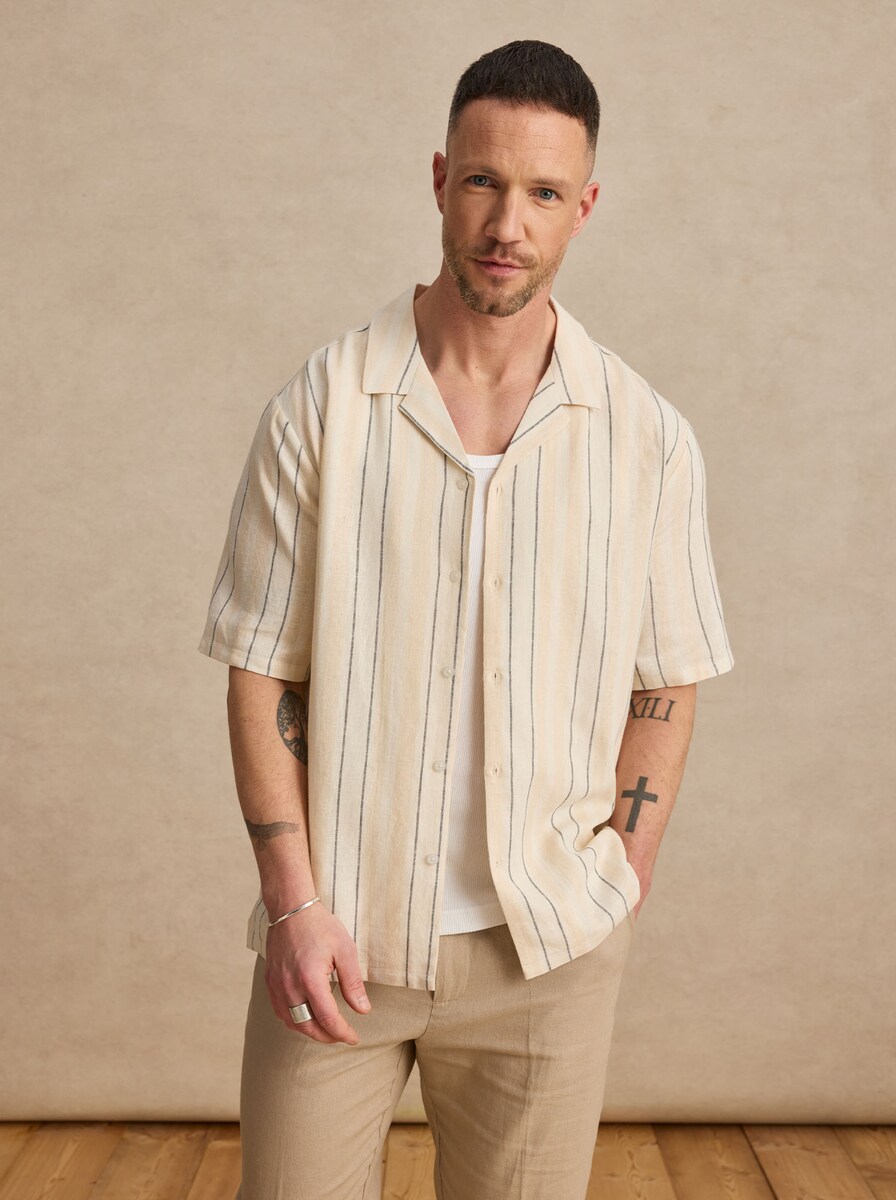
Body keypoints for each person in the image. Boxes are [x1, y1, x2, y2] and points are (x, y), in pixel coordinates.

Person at [198, 39, 734, 1200]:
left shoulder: (644, 436)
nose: (507, 224)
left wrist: (615, 885)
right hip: (339, 939)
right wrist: (294, 906)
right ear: (441, 179)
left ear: (584, 206)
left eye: (543, 193)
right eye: (485, 182)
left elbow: (668, 680)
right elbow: (259, 672)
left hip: (548, 955)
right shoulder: (323, 410)